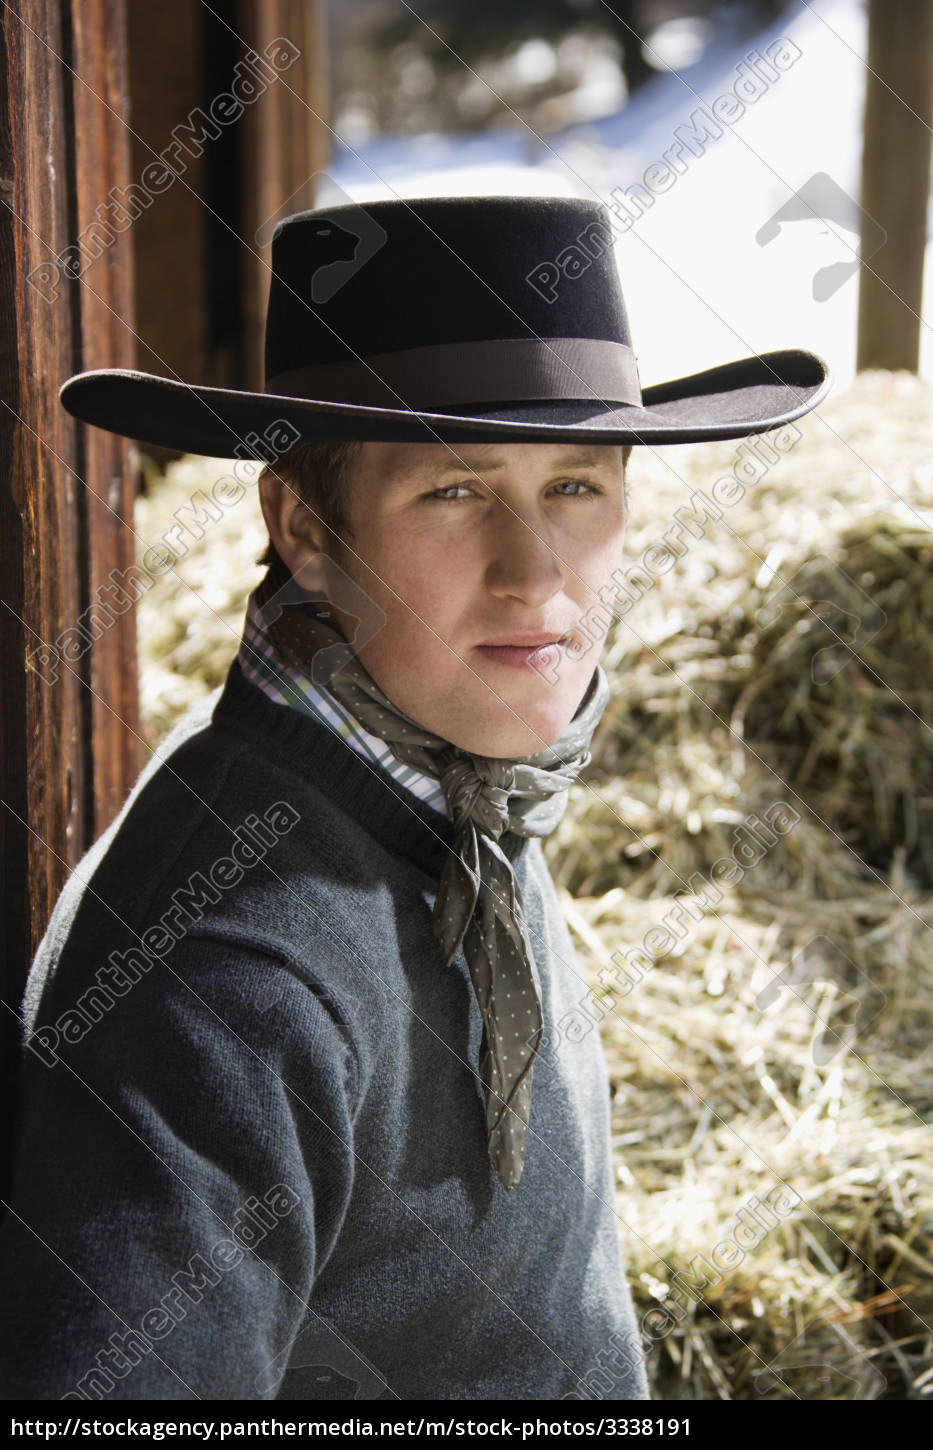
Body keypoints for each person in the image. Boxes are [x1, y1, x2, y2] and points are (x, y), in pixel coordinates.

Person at [0, 194, 829, 1401]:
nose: (536, 573)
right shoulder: (228, 975)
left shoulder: (453, 768)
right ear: (306, 528)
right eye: (454, 491)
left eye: (578, 488)